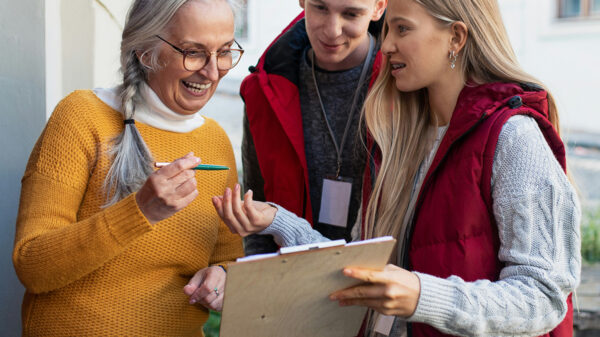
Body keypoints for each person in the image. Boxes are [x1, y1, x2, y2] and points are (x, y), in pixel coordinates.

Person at [213, 0, 582, 336]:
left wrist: (421, 295)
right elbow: (361, 263)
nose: (386, 44)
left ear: (455, 37)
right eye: (388, 29)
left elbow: (543, 296)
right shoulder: (400, 137)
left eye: (401, 29)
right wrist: (277, 221)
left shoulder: (514, 137)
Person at [13, 0, 244, 335]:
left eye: (224, 52)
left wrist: (221, 278)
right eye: (194, 52)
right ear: (145, 52)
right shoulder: (81, 117)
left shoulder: (216, 140)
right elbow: (31, 264)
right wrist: (140, 212)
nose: (213, 71)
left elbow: (227, 258)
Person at [239, 0, 387, 255]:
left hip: (385, 279)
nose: (332, 30)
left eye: (351, 14)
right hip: (291, 281)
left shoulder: (404, 86)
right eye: (320, 7)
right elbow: (256, 208)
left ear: (379, 7)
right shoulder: (264, 89)